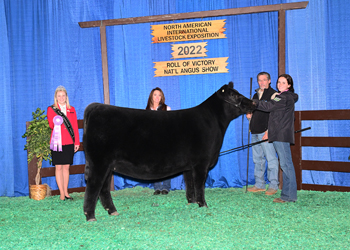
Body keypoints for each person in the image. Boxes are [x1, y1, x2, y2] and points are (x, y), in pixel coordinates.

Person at [254, 74, 298, 203]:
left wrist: (253, 103)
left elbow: (268, 107)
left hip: (281, 135)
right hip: (280, 134)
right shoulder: (285, 97)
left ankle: (288, 197)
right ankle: (288, 195)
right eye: (279, 82)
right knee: (286, 164)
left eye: (283, 83)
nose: (280, 85)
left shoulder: (283, 97)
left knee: (286, 165)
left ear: (289, 85)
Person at [246, 72, 279, 195]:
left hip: (265, 132)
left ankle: (273, 185)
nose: (262, 82)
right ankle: (259, 184)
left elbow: (275, 115)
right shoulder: (255, 95)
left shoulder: (274, 95)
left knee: (271, 159)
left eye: (264, 80)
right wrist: (250, 116)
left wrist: (269, 131)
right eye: (259, 80)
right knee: (257, 159)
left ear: (269, 81)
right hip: (254, 131)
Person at [47, 86, 80, 201]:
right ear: (56, 97)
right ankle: (61, 193)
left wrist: (77, 142)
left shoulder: (72, 109)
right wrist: (56, 120)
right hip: (57, 142)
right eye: (59, 96)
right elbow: (51, 126)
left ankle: (66, 191)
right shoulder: (51, 109)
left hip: (69, 142)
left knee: (66, 167)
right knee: (58, 167)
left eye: (63, 95)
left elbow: (75, 127)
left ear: (66, 97)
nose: (61, 98)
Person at [146, 87, 171, 195]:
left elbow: (172, 125)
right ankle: (157, 187)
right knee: (154, 164)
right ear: (151, 96)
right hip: (152, 141)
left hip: (165, 140)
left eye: (159, 95)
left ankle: (165, 187)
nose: (157, 97)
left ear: (162, 97)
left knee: (166, 164)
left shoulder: (167, 109)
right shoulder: (147, 111)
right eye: (155, 95)